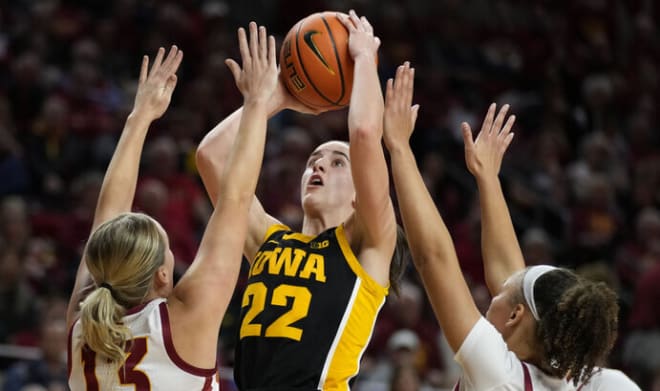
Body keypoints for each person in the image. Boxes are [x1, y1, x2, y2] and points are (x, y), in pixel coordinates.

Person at [382, 63, 641, 390]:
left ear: (516, 315)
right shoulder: (603, 382)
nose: (497, 285)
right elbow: (509, 273)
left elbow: (433, 257)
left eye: (503, 291)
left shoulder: (498, 373)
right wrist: (488, 179)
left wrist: (399, 147)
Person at [196, 10, 403, 390]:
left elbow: (363, 131)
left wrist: (361, 59)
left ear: (363, 192)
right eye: (313, 161)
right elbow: (210, 157)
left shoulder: (367, 242)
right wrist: (272, 100)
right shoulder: (268, 241)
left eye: (337, 162)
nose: (319, 166)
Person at [66, 20, 278, 390]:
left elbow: (234, 199)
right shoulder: (183, 320)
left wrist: (140, 119)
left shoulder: (82, 325)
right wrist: (259, 100)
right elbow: (234, 198)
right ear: (162, 275)